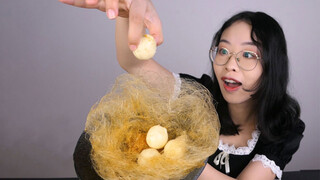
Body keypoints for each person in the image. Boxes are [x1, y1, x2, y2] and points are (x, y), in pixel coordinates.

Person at [59, 0, 305, 179]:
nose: (230, 65)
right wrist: (126, 10)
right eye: (223, 50)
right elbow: (131, 61)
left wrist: (179, 163)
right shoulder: (198, 95)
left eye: (248, 55)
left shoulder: (284, 127)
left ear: (272, 65)